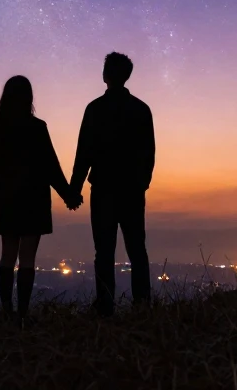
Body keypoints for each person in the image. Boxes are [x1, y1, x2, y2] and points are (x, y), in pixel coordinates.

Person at [0, 75, 81, 322]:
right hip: (34, 200)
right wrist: (69, 195)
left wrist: (2, 198)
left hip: (9, 201)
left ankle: (7, 310)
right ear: (29, 97)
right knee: (27, 257)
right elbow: (51, 166)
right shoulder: (37, 128)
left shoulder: (0, 131)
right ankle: (22, 313)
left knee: (8, 255)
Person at [69, 52, 155, 316]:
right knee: (136, 249)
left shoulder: (95, 109)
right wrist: (141, 184)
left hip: (104, 190)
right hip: (131, 191)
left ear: (105, 75)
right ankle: (142, 304)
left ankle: (105, 305)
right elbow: (148, 154)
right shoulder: (141, 109)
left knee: (104, 250)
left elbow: (84, 152)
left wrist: (74, 189)